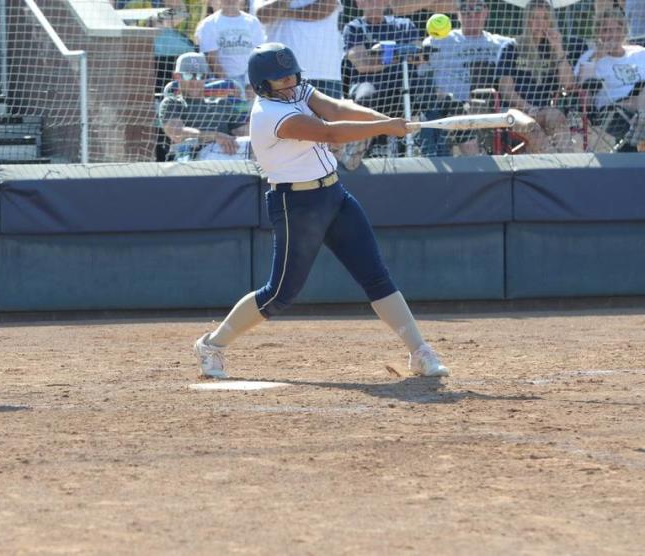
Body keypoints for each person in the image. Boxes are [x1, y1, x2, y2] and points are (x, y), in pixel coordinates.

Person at [192, 42, 449, 380]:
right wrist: (386, 127)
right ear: (263, 84)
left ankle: (420, 351)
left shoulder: (298, 93)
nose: (290, 83)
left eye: (292, 76)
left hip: (333, 194)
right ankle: (212, 344)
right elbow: (329, 131)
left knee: (375, 276)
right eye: (281, 79)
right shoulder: (269, 115)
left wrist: (385, 120)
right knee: (279, 294)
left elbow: (335, 107)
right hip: (295, 205)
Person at [419, 0, 513, 155]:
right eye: (465, 9)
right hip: (448, 107)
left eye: (476, 8)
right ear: (457, 13)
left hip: (488, 105)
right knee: (452, 108)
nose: (471, 13)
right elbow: (422, 77)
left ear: (486, 11)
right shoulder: (438, 41)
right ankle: (477, 166)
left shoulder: (502, 44)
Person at [340, 0, 427, 166]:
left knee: (424, 91)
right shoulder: (354, 28)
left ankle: (417, 148)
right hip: (368, 84)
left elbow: (419, 57)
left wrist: (380, 55)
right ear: (359, 4)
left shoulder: (405, 25)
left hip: (402, 85)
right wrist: (400, 55)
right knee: (366, 97)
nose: (374, 2)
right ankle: (356, 154)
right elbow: (362, 65)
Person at [497, 0, 586, 153]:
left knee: (556, 116)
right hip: (515, 111)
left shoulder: (551, 48)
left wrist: (558, 50)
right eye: (535, 18)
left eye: (544, 18)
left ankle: (568, 163)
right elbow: (505, 89)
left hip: (545, 110)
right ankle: (559, 167)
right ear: (527, 20)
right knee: (533, 129)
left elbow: (569, 85)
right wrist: (528, 108)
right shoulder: (512, 47)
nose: (540, 23)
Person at [575, 8, 645, 151]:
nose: (610, 35)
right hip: (614, 111)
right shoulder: (591, 56)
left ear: (623, 30)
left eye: (615, 29)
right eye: (605, 30)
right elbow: (581, 89)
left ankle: (640, 122)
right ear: (598, 33)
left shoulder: (639, 52)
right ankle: (640, 123)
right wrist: (597, 58)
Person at [159, 52, 249, 159]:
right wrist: (215, 136)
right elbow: (177, 133)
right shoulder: (173, 102)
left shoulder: (222, 103)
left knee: (256, 145)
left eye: (200, 76)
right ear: (176, 77)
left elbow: (242, 131)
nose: (195, 82)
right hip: (194, 158)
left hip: (229, 155)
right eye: (188, 76)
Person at [253, 0, 344, 99]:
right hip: (280, 74)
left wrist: (286, 13)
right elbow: (262, 15)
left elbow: (324, 9)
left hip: (323, 72)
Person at [194, 0, 266, 90]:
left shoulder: (252, 22)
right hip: (220, 82)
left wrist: (251, 84)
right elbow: (212, 58)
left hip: (251, 80)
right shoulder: (208, 24)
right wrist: (228, 85)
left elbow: (258, 54)